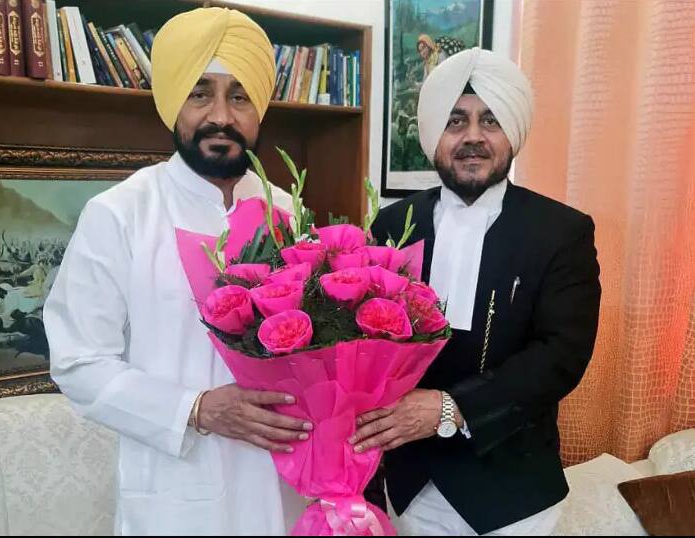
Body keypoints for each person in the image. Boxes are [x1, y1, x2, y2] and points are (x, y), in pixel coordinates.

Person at [44, 7, 308, 536]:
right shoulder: (120, 214)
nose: (220, 116)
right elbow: (77, 362)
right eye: (199, 93)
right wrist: (196, 409)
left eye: (239, 96)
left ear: (259, 108)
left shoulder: (290, 212)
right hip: (177, 493)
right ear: (172, 104)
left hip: (282, 489)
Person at [358, 48, 601, 535]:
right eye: (455, 121)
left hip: (513, 497)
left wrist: (451, 408)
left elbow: (560, 356)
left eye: (490, 120)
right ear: (434, 135)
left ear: (512, 131)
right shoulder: (392, 224)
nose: (473, 136)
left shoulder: (561, 231)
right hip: (411, 484)